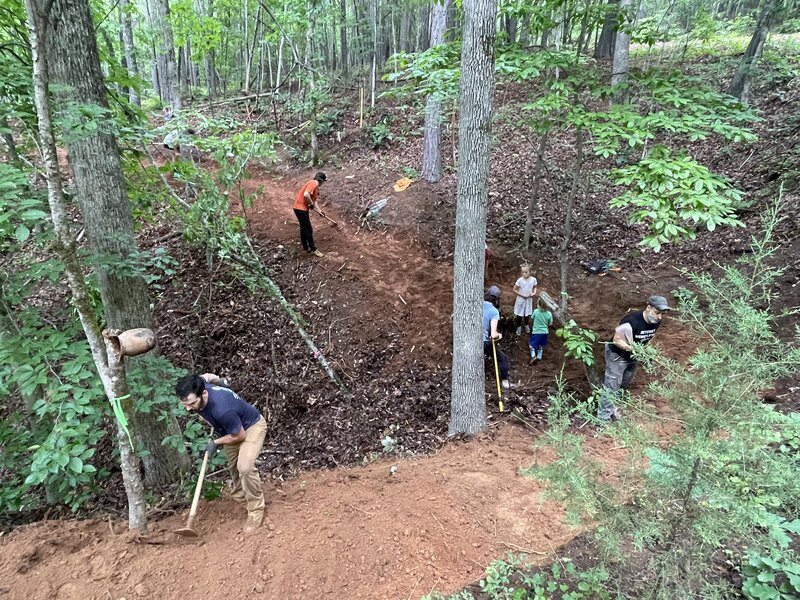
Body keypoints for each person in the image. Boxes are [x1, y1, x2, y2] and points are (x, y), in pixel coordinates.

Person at [175, 372, 268, 533]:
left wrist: (215, 443)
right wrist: (221, 381)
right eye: (184, 404)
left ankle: (256, 510)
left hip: (250, 427)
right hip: (229, 429)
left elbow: (240, 436)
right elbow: (208, 376)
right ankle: (241, 496)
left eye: (191, 403)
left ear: (204, 394)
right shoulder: (199, 385)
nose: (188, 408)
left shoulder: (222, 410)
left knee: (244, 467)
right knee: (233, 466)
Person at [598, 295, 672, 421]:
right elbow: (617, 340)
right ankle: (602, 418)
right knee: (611, 386)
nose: (659, 317)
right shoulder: (631, 321)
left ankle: (615, 408)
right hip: (618, 355)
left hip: (633, 357)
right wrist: (635, 349)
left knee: (624, 383)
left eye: (662, 314)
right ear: (648, 308)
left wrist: (647, 351)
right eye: (657, 313)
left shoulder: (656, 322)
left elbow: (650, 337)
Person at [483, 285, 516, 389]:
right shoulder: (494, 311)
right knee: (503, 358)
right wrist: (499, 335)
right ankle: (505, 383)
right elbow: (493, 335)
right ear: (496, 299)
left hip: (470, 340)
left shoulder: (476, 304)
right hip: (483, 342)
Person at [293, 172, 327, 257]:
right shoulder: (313, 183)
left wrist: (320, 212)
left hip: (300, 208)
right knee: (308, 229)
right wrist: (311, 204)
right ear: (321, 180)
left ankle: (306, 247)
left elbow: (314, 202)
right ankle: (314, 249)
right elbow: (306, 195)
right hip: (300, 208)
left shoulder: (315, 188)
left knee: (304, 228)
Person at [512, 264, 538, 335]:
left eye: (526, 272)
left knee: (527, 314)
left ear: (530, 272)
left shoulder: (533, 280)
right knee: (519, 314)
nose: (524, 274)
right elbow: (514, 289)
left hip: (528, 299)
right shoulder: (520, 280)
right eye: (523, 272)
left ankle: (526, 325)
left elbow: (535, 286)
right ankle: (518, 327)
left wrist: (534, 292)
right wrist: (522, 295)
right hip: (521, 299)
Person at [528, 297, 553, 363]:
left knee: (531, 345)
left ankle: (533, 356)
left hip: (536, 332)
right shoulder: (549, 314)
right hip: (545, 332)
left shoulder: (536, 311)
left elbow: (532, 317)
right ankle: (539, 356)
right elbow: (550, 324)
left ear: (538, 305)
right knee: (540, 345)